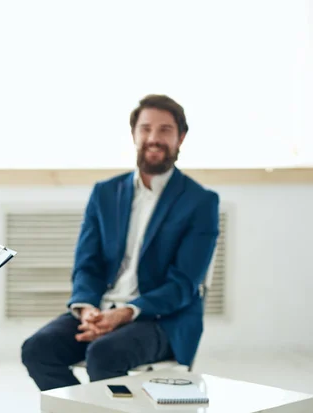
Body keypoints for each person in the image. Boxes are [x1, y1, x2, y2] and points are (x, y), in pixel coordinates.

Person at [21, 95, 219, 391]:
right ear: (134, 134)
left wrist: (125, 313)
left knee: (104, 353)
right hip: (101, 309)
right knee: (37, 349)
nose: (154, 138)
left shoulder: (200, 202)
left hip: (163, 319)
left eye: (165, 130)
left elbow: (183, 284)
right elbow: (87, 264)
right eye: (146, 129)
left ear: (181, 138)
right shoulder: (104, 193)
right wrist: (87, 309)